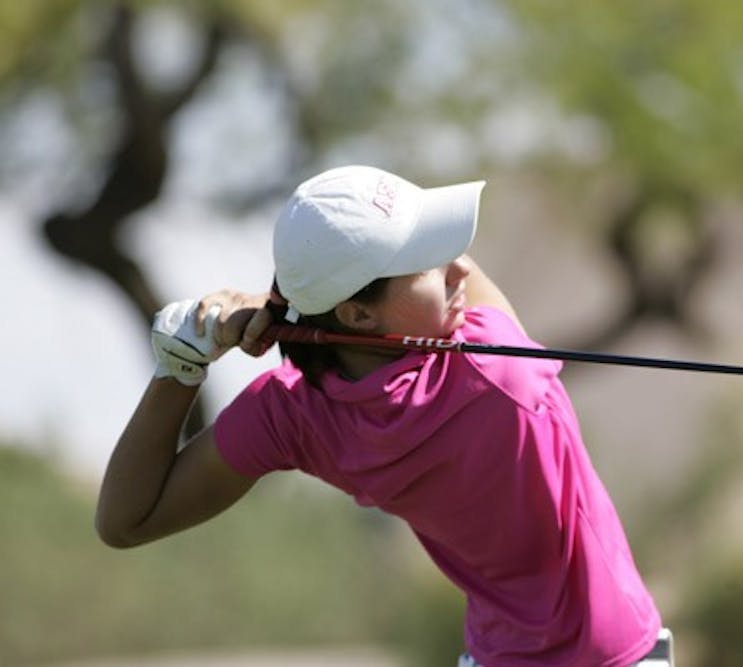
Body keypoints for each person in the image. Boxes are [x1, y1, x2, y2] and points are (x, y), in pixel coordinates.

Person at [96, 165, 671, 666]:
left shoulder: (295, 416)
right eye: (427, 266)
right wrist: (279, 308)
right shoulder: (495, 370)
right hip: (614, 657)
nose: (458, 272)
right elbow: (475, 283)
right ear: (358, 314)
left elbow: (125, 522)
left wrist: (184, 362)